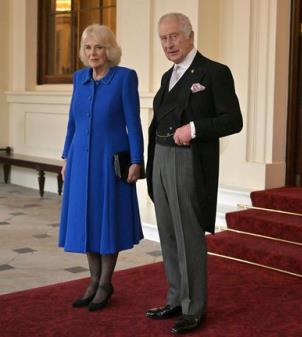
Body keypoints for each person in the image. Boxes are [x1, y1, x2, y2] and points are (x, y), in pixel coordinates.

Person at [145, 12, 243, 334]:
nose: (168, 44)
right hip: (161, 158)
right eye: (163, 38)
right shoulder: (166, 77)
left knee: (188, 236)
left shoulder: (214, 73)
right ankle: (175, 298)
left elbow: (233, 120)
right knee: (168, 234)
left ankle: (193, 307)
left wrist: (195, 128)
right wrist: (149, 164)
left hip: (187, 162)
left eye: (174, 36)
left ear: (189, 36)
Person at [58, 24, 145, 312]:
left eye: (98, 47)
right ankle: (93, 280)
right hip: (81, 161)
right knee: (87, 219)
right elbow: (73, 123)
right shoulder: (79, 78)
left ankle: (105, 283)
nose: (93, 52)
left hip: (110, 162)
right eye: (88, 47)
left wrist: (137, 160)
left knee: (108, 220)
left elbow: (133, 123)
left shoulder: (124, 78)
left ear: (109, 50)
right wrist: (66, 159)